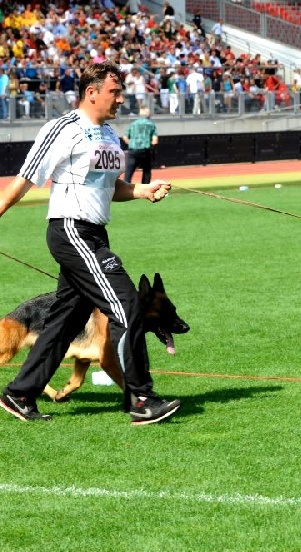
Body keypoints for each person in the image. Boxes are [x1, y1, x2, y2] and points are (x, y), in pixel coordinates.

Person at [0, 61, 181, 425]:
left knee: (65, 322)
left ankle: (19, 394)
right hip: (71, 231)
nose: (120, 99)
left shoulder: (111, 135)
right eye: (114, 92)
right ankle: (141, 399)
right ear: (91, 93)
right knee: (127, 305)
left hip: (95, 232)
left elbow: (112, 187)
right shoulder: (62, 129)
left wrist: (143, 191)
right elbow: (25, 178)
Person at [122, 106, 158, 184]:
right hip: (145, 150)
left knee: (129, 171)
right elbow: (155, 140)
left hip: (132, 150)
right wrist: (152, 149)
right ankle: (145, 187)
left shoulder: (133, 124)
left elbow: (125, 137)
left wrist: (131, 143)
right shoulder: (151, 124)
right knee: (146, 171)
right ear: (148, 115)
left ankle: (126, 186)